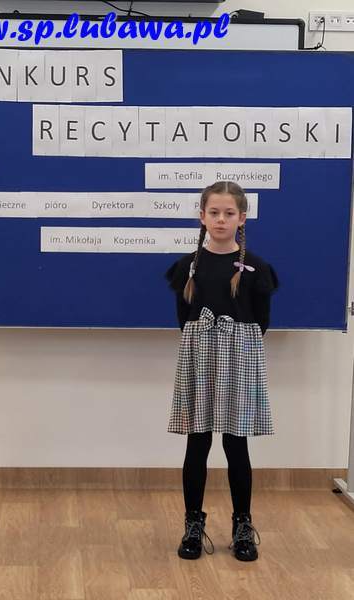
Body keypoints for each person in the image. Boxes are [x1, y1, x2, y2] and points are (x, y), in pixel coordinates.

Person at [165, 181, 279, 562]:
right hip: (200, 358)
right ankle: (192, 525)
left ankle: (242, 525)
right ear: (202, 216)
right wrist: (208, 344)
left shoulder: (256, 268)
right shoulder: (189, 267)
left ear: (242, 218)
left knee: (235, 443)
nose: (220, 219)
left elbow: (261, 321)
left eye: (229, 213)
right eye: (213, 212)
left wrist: (233, 347)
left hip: (239, 359)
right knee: (197, 442)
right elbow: (185, 319)